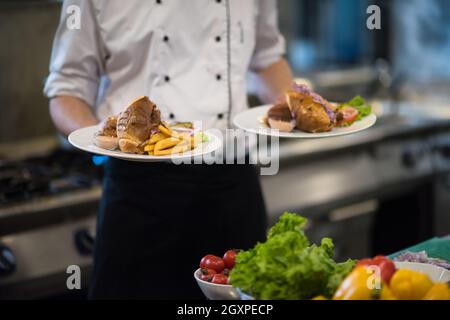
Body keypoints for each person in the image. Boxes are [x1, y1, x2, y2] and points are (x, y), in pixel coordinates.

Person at [45, 0, 293, 299]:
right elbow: (67, 89)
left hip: (233, 187)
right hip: (138, 192)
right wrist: (100, 137)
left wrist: (298, 107)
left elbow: (267, 58)